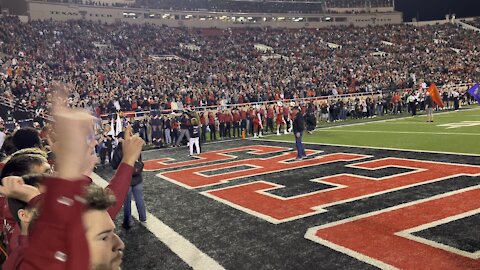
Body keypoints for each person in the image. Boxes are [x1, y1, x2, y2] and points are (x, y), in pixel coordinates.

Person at [111, 129, 147, 229]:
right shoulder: (134, 146)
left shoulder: (119, 149)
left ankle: (127, 222)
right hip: (137, 177)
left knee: (126, 201)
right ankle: (143, 217)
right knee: (139, 199)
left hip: (126, 179)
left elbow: (114, 164)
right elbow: (139, 161)